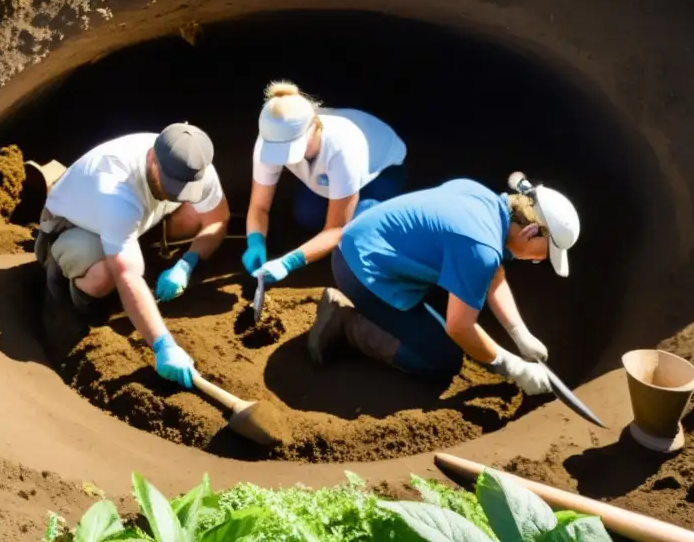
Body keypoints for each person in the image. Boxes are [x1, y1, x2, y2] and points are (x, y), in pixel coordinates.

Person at [306, 171, 580, 396]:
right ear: (532, 231)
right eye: (541, 255)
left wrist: (519, 332)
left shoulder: (481, 196)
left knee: (464, 287)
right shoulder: (480, 247)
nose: (536, 260)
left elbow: (492, 274)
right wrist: (514, 369)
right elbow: (459, 327)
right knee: (443, 359)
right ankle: (347, 322)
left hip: (366, 227)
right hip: (360, 270)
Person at [33, 123, 230, 390]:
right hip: (72, 225)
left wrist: (186, 263)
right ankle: (83, 310)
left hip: (132, 222)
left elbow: (218, 219)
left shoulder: (195, 166)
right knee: (104, 276)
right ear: (151, 158)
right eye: (171, 185)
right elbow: (128, 276)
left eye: (184, 188)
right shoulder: (115, 189)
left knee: (194, 215)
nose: (176, 193)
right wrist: (163, 345)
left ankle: (132, 248)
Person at [241, 81, 408, 286]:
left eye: (288, 149)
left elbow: (337, 227)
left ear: (312, 127)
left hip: (382, 169)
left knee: (358, 231)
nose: (282, 158)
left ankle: (380, 274)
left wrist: (288, 262)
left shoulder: (342, 146)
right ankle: (323, 247)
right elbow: (259, 206)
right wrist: (255, 242)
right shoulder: (269, 139)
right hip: (331, 172)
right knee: (307, 213)